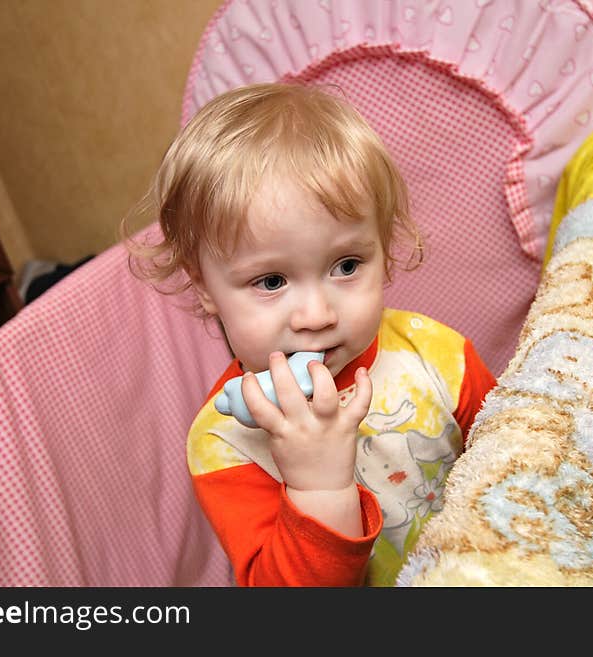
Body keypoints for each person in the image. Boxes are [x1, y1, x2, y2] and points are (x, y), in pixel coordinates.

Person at [126, 82, 496, 586]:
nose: (317, 315)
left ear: (383, 249)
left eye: (346, 265)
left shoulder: (437, 354)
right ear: (205, 287)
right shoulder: (224, 441)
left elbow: (517, 459)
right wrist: (318, 486)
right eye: (271, 281)